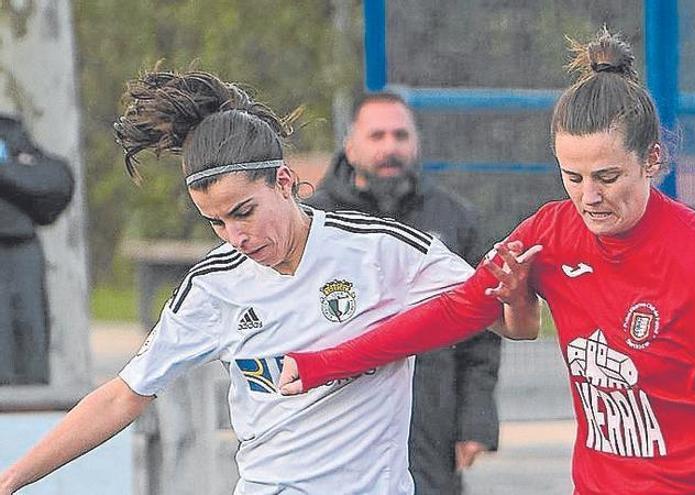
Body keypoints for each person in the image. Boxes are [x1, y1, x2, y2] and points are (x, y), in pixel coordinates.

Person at [279, 29, 695, 494]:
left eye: (607, 177)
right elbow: (454, 312)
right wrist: (321, 363)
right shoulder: (551, 234)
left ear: (652, 159)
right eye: (573, 176)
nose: (589, 196)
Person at [0, 70, 491, 495]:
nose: (235, 236)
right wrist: (14, 477)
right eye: (215, 222)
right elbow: (122, 395)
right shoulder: (214, 286)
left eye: (244, 212)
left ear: (282, 180)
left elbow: (495, 310)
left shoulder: (380, 249)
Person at [306, 92, 500, 494]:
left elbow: (482, 332)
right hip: (339, 415)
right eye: (376, 136)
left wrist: (475, 421)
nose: (390, 147)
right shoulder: (314, 221)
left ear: (416, 143)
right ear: (351, 145)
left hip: (429, 417)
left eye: (400, 135)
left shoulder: (453, 218)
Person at [0, 114, 74, 385]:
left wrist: (5, 169)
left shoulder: (8, 130)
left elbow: (55, 184)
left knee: (27, 357)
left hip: (19, 251)